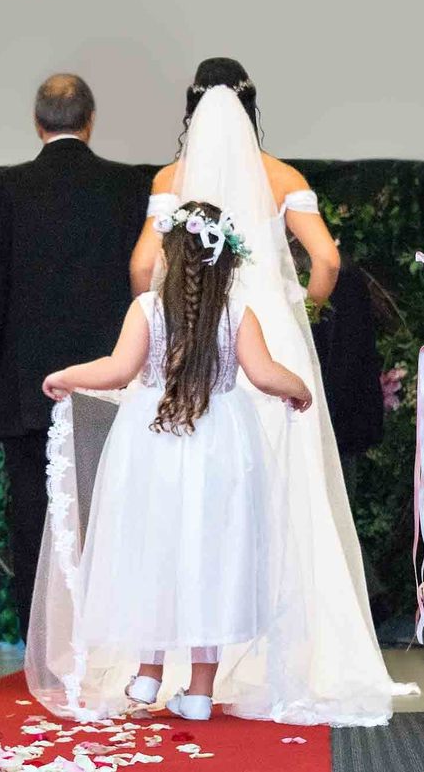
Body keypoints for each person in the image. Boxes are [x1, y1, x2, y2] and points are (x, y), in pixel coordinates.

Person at [123, 58, 406, 724]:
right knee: (284, 490)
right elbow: (328, 259)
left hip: (194, 340)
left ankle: (166, 660)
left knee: (188, 491)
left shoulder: (169, 180)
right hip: (268, 336)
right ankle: (285, 643)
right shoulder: (283, 177)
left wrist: (165, 317)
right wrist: (302, 305)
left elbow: (142, 264)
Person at [31, 201, 311, 721]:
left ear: (169, 255)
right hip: (221, 445)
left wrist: (65, 375)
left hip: (153, 442)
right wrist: (299, 388)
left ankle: (147, 675)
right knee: (212, 554)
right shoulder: (237, 313)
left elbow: (117, 370)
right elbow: (265, 373)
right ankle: (200, 691)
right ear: (227, 259)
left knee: (153, 545)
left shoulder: (147, 309)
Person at [0, 74, 148, 637]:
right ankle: (113, 639)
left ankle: (42, 646)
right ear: (90, 120)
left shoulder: (4, 191)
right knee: (111, 513)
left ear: (37, 121)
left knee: (33, 518)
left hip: (26, 386)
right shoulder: (130, 187)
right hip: (112, 379)